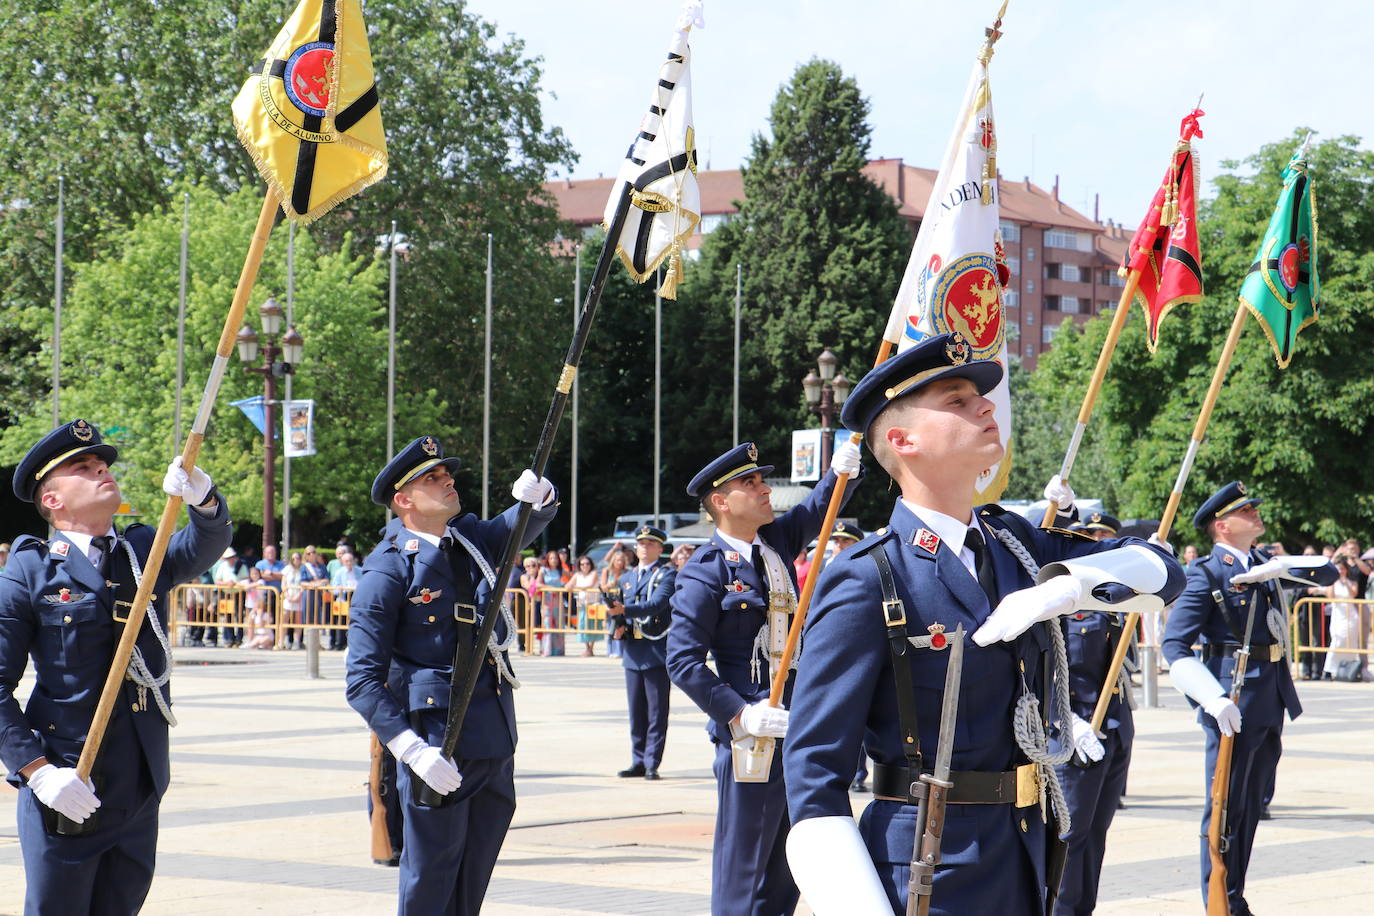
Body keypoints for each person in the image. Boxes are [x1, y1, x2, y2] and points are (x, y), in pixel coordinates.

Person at [780, 334, 1184, 916]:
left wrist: (1067, 587)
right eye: (957, 400)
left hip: (1024, 853)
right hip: (927, 867)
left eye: (980, 397)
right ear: (902, 440)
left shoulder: (1015, 545)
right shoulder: (871, 575)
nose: (986, 406)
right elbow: (815, 774)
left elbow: (1161, 569)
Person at [0, 419, 231, 915]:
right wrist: (37, 772)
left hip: (139, 781)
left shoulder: (141, 553)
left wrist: (204, 501)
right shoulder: (31, 568)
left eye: (102, 463)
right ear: (52, 500)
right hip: (69, 779)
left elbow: (199, 548)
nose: (100, 469)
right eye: (82, 467)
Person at [345, 436, 557, 916]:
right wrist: (410, 750)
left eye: (447, 475)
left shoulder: (471, 541)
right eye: (432, 478)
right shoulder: (387, 572)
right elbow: (361, 680)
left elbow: (521, 522)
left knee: (472, 880)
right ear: (404, 500)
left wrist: (539, 496)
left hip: (492, 739)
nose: (447, 481)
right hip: (436, 743)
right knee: (430, 881)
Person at [667, 438, 863, 916]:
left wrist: (843, 474)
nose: (764, 489)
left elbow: (821, 506)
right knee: (747, 870)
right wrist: (740, 712)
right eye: (749, 483)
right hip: (750, 736)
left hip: (797, 726)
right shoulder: (705, 571)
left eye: (761, 479)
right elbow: (682, 660)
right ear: (720, 501)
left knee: (788, 868)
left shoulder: (772, 544)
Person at [1161, 481, 1336, 916]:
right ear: (1222, 526)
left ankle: (1234, 892)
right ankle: (1221, 902)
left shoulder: (1265, 563)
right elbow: (1174, 647)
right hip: (1232, 705)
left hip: (1270, 698)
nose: (1256, 513)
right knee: (1224, 808)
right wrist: (1212, 698)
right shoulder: (1206, 574)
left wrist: (1280, 567)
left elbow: (1328, 573)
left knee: (1253, 805)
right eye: (1246, 511)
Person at [612, 525, 676, 780]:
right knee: (636, 712)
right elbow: (618, 611)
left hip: (655, 649)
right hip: (633, 651)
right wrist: (616, 626)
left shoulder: (667, 575)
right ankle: (637, 760)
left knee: (656, 712)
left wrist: (623, 611)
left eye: (650, 544)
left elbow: (657, 604)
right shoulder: (626, 578)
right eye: (641, 544)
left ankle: (652, 762)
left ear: (660, 549)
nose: (644, 547)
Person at [1317, 557, 1361, 681]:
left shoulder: (1351, 581)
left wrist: (1345, 583)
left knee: (1351, 642)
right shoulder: (1332, 582)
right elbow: (1331, 596)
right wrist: (1335, 581)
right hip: (1338, 614)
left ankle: (1349, 669)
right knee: (1337, 640)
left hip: (1351, 614)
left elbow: (1353, 593)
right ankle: (1329, 669)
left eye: (1342, 569)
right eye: (1338, 569)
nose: (1340, 571)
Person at [600, 548, 630, 659]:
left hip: (621, 600)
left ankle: (620, 650)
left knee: (621, 625)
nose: (620, 563)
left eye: (622, 560)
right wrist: (612, 583)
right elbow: (603, 587)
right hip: (610, 600)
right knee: (611, 625)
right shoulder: (607, 571)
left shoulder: (626, 572)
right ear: (613, 561)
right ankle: (610, 650)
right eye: (618, 560)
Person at [569, 555, 602, 657]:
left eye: (587, 563)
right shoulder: (577, 575)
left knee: (593, 626)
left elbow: (590, 585)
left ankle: (591, 648)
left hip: (593, 604)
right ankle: (587, 648)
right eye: (582, 564)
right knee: (583, 626)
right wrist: (573, 587)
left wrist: (576, 587)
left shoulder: (594, 573)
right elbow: (568, 586)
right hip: (582, 604)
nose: (585, 566)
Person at [538, 549, 568, 657]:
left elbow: (570, 577)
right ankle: (547, 649)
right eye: (551, 558)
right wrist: (549, 587)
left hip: (558, 599)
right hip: (547, 599)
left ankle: (558, 650)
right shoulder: (543, 570)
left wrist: (564, 586)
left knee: (559, 623)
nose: (554, 560)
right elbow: (538, 583)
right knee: (548, 622)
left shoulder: (561, 570)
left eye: (555, 558)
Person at [211, 546, 242, 648]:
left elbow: (246, 578)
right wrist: (227, 583)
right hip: (226, 593)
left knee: (239, 615)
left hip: (238, 594)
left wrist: (236, 583)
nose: (231, 559)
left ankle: (239, 638)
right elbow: (217, 580)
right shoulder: (223, 566)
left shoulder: (241, 565)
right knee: (228, 616)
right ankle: (230, 638)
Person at [330, 550, 360, 651]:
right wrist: (341, 588)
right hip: (343, 598)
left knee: (355, 621)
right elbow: (334, 588)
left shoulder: (359, 570)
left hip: (355, 598)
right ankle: (339, 643)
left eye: (351, 560)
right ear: (342, 562)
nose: (349, 563)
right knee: (341, 621)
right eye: (346, 561)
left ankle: (353, 643)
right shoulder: (339, 572)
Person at [282, 551, 304, 650]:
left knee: (297, 621)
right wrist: (287, 595)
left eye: (298, 558)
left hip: (298, 597)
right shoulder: (287, 569)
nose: (296, 560)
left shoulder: (303, 569)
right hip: (288, 597)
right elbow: (283, 583)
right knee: (284, 619)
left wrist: (298, 595)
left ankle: (296, 642)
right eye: (294, 558)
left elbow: (304, 584)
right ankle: (281, 641)